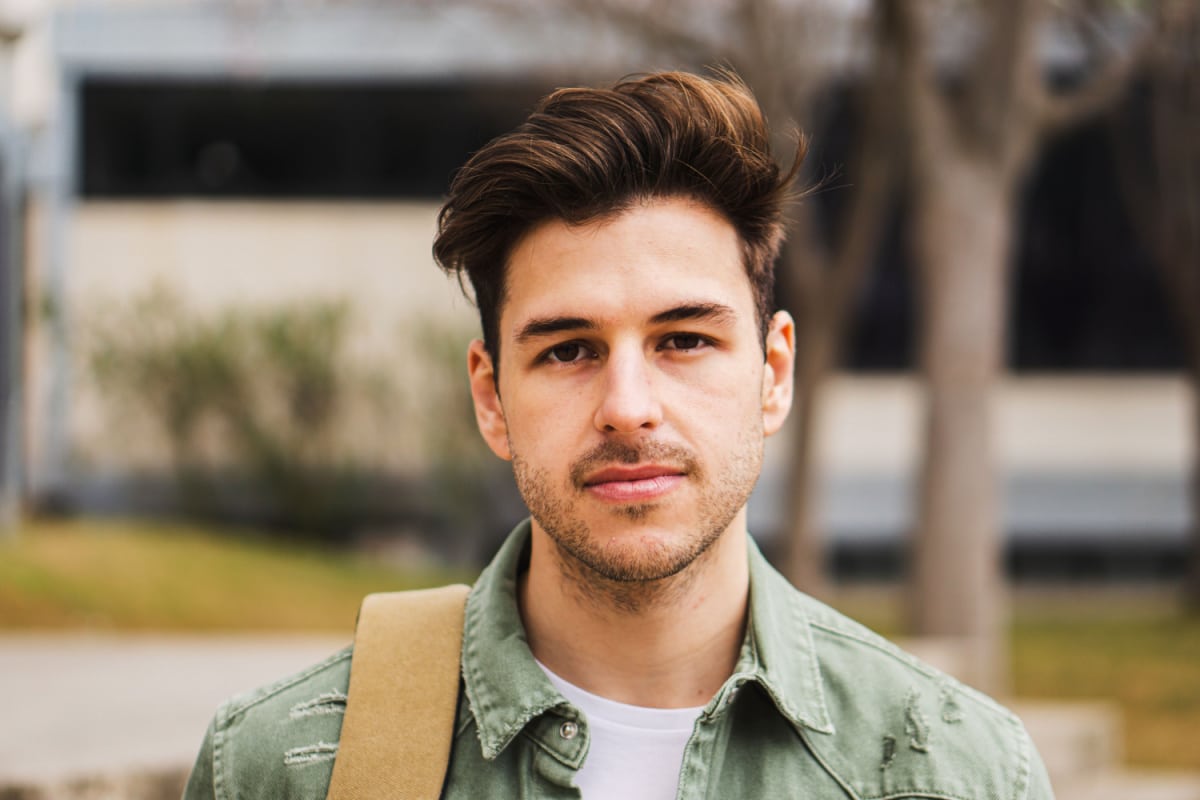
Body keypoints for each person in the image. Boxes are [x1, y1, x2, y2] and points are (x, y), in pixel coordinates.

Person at [182, 70, 1054, 800]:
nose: (628, 406)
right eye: (568, 350)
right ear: (491, 397)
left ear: (773, 374)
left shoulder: (954, 770)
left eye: (684, 340)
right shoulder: (280, 770)